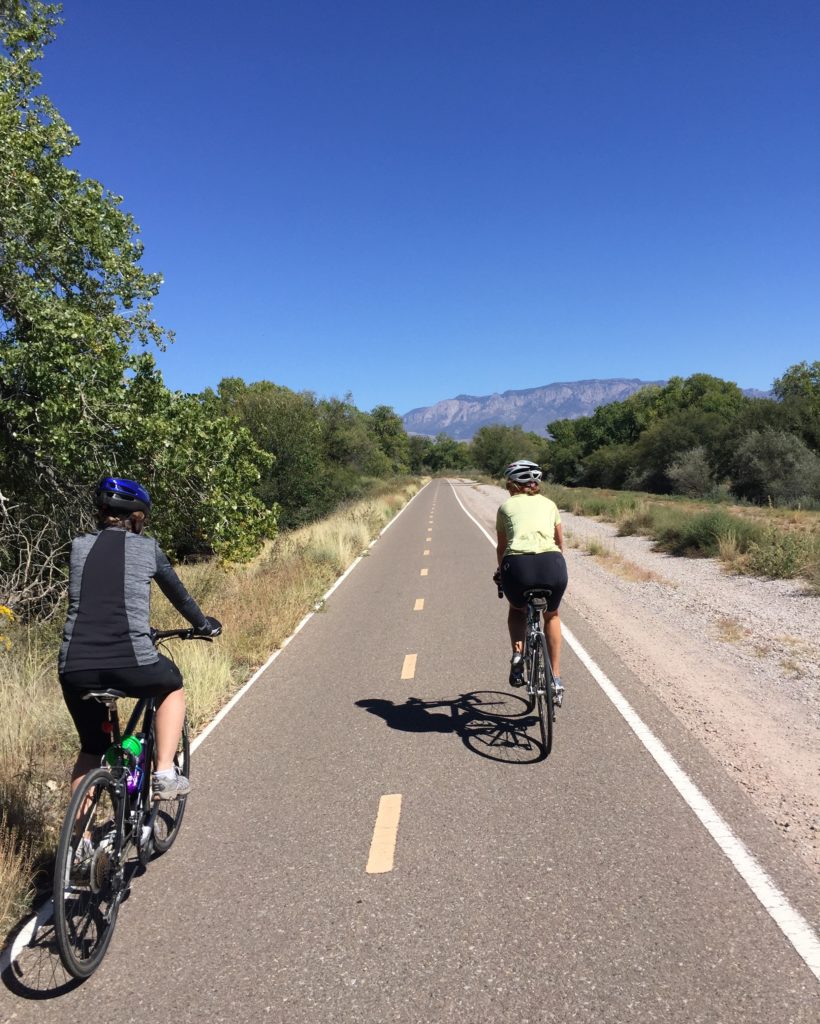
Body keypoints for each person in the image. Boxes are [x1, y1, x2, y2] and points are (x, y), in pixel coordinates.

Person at [59, 476, 221, 799]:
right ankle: (163, 773)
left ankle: (81, 844)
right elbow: (181, 597)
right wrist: (204, 625)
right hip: (131, 661)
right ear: (136, 516)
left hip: (74, 667)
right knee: (172, 684)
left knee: (92, 749)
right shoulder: (148, 548)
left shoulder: (78, 547)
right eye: (142, 519)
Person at [495, 460, 568, 696]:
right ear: (535, 484)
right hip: (552, 564)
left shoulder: (505, 507)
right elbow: (559, 542)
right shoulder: (550, 504)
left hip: (518, 566)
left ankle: (518, 652)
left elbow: (502, 547)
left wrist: (501, 571)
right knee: (552, 615)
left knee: (517, 610)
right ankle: (555, 677)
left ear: (514, 484)